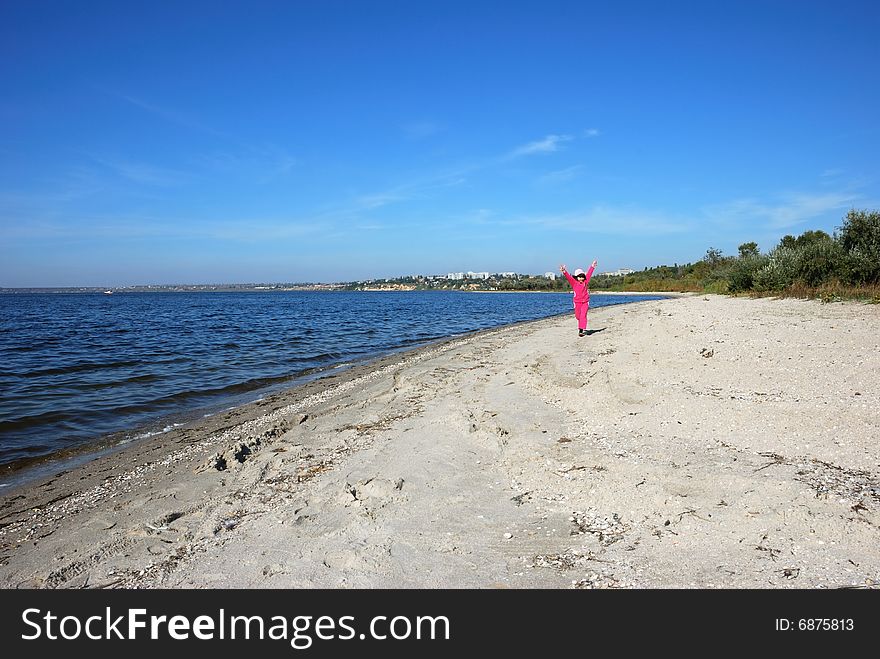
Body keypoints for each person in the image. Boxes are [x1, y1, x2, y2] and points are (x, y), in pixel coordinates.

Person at [559, 260, 597, 337]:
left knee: (583, 315)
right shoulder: (574, 283)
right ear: (576, 277)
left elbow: (589, 274)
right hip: (577, 303)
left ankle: (581, 330)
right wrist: (564, 271)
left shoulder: (585, 282)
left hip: (585, 302)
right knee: (578, 316)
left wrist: (592, 266)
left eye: (582, 277)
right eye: (579, 277)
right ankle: (581, 325)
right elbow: (568, 278)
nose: (581, 278)